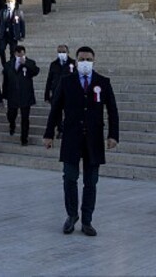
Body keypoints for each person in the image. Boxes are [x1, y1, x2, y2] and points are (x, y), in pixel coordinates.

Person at [43, 46, 119, 237]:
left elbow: (112, 110)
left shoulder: (103, 82)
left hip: (93, 139)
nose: (85, 62)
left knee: (91, 181)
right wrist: (49, 133)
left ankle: (87, 220)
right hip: (71, 137)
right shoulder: (66, 81)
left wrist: (113, 135)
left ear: (94, 61)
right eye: (82, 59)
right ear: (76, 61)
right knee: (69, 178)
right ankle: (71, 215)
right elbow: (56, 109)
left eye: (89, 59)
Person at [3, 45, 39, 146]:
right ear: (15, 54)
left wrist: (26, 64)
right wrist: (4, 95)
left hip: (25, 95)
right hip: (12, 95)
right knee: (11, 114)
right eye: (19, 54)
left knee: (25, 118)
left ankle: (24, 138)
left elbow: (36, 71)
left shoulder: (30, 62)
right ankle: (12, 124)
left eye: (22, 54)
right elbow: (5, 80)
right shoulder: (8, 64)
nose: (21, 56)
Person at [0, 0, 25, 66]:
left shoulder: (18, 12)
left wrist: (22, 35)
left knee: (13, 51)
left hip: (13, 34)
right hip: (4, 34)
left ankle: (11, 65)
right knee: (1, 49)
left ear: (14, 2)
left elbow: (22, 24)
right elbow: (0, 23)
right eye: (8, 2)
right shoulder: (3, 11)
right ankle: (4, 64)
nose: (9, 4)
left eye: (11, 2)